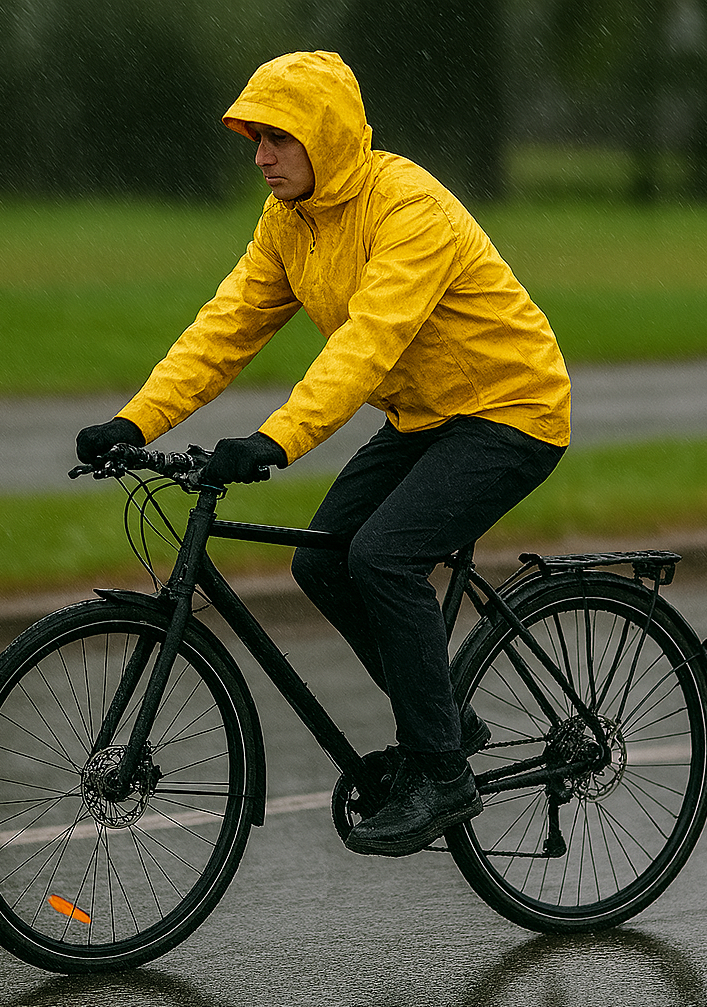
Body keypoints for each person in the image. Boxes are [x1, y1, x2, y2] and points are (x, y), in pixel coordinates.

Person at [77, 50, 571, 858]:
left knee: (381, 556)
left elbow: (366, 348)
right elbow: (225, 328)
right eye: (255, 139)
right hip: (423, 414)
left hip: (510, 409)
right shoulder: (289, 220)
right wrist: (135, 423)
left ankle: (442, 773)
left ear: (327, 136)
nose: (263, 156)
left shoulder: (408, 208)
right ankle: (447, 713)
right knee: (322, 561)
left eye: (280, 137)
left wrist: (277, 440)